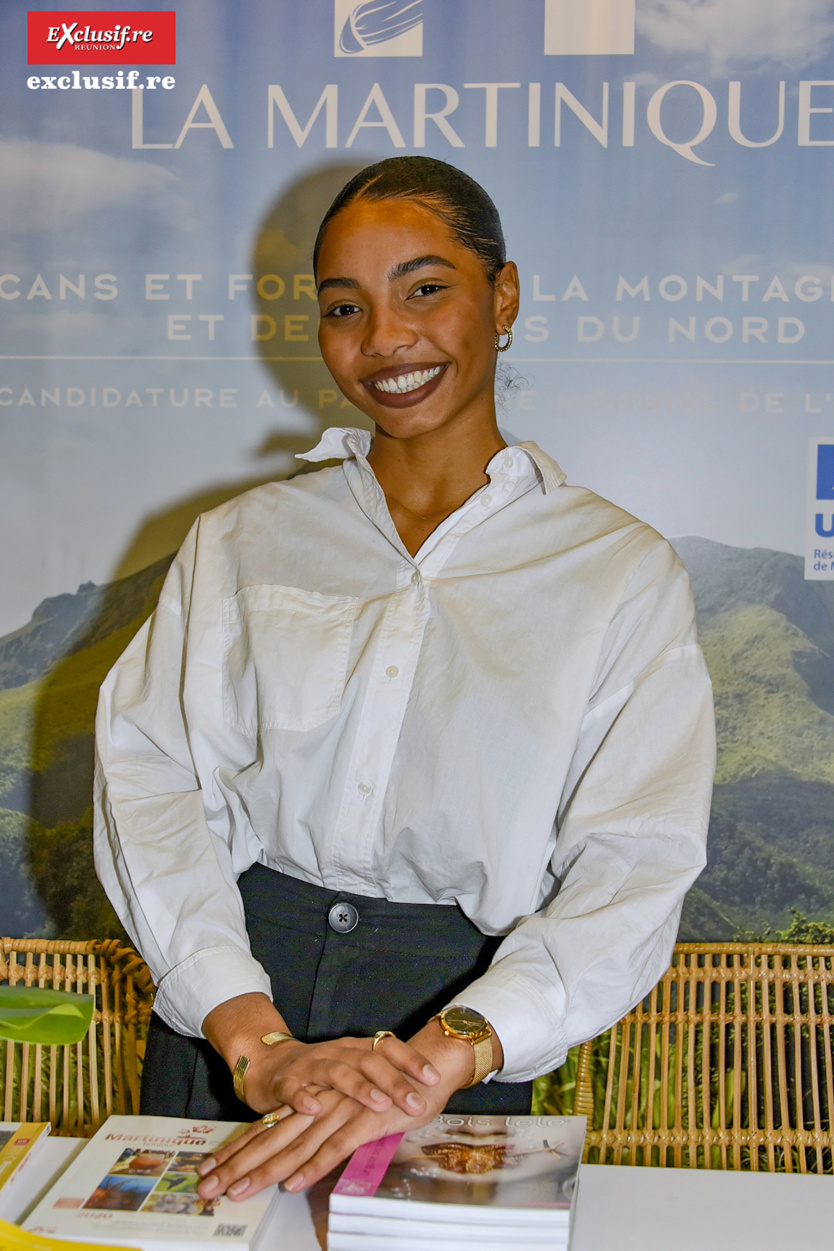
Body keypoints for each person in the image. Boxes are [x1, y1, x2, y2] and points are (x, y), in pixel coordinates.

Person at [93, 156, 715, 1201]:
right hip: (233, 1001)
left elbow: (635, 860)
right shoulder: (242, 541)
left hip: (463, 1021)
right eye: (347, 306)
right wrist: (252, 1040)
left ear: (502, 297)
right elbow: (152, 783)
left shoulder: (617, 570)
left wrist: (453, 1051)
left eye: (425, 289)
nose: (385, 339)